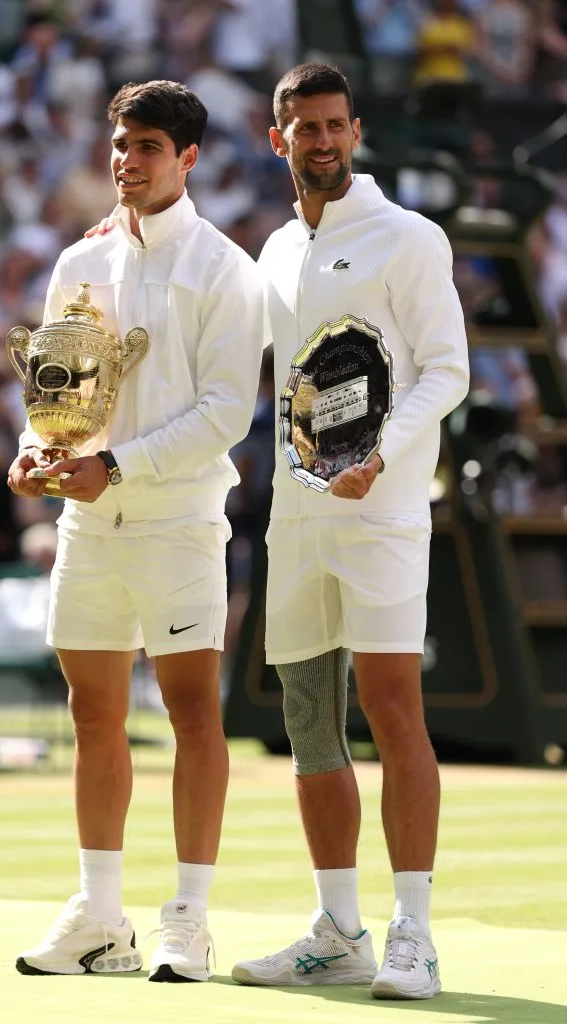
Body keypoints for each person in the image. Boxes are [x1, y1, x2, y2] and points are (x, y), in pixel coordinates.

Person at [6, 79, 265, 982]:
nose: (127, 160)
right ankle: (99, 918)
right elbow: (54, 396)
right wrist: (35, 453)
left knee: (193, 712)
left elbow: (226, 411)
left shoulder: (226, 267)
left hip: (179, 523)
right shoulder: (79, 259)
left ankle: (187, 918)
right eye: (120, 143)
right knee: (93, 714)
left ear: (187, 158)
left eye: (148, 146)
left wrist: (115, 466)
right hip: (89, 522)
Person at [229, 63, 469, 999]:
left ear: (355, 133)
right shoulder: (273, 249)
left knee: (393, 709)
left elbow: (445, 370)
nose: (321, 141)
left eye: (334, 125)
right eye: (305, 127)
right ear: (277, 137)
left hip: (382, 515)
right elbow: (225, 337)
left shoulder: (407, 236)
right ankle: (339, 931)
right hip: (295, 522)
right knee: (307, 722)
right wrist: (127, 234)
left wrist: (380, 453)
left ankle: (414, 934)